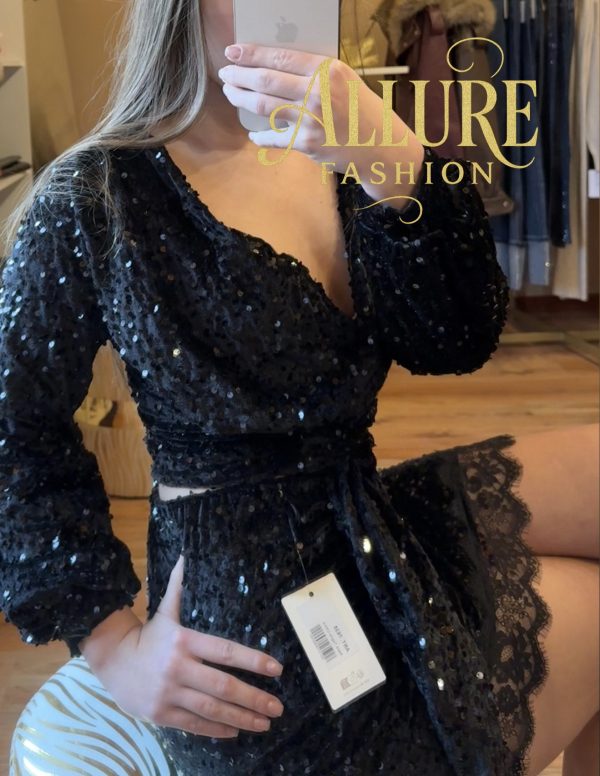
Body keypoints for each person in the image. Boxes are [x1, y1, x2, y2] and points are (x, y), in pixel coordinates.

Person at [1, 1, 598, 775]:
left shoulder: (346, 148)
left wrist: (396, 166)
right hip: (253, 623)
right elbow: (14, 431)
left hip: (362, 517)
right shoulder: (96, 194)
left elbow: (457, 338)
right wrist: (114, 648)